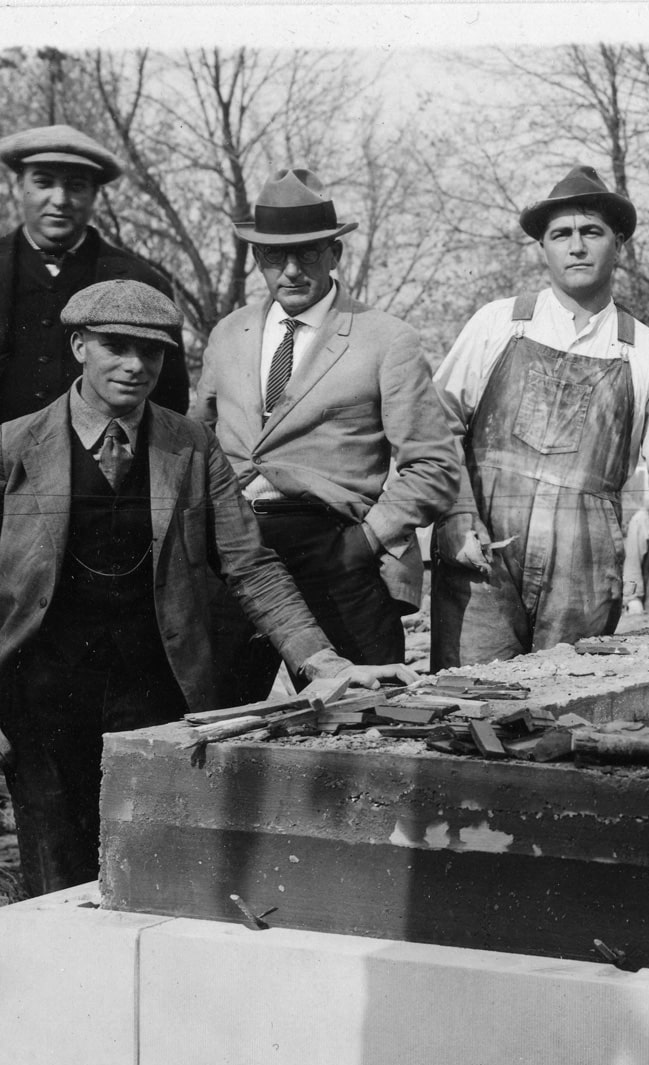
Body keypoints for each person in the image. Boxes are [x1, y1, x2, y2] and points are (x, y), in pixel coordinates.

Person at [0, 281, 410, 898]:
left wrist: (324, 661)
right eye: (115, 346)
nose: (135, 365)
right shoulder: (10, 449)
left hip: (155, 702)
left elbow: (250, 567)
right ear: (78, 347)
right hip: (39, 706)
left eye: (151, 352)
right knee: (59, 889)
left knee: (154, 882)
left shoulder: (192, 446)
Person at [0, 123, 190, 858]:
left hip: (88, 498)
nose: (59, 199)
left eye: (76, 185)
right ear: (17, 187)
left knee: (58, 647)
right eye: (43, 182)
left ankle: (75, 806)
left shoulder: (136, 279)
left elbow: (168, 395)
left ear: (95, 195)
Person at [193, 169, 461, 703]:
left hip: (337, 553)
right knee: (212, 718)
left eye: (308, 253)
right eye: (274, 256)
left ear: (334, 253)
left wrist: (364, 543)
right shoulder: (228, 334)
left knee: (363, 721)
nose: (290, 270)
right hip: (238, 552)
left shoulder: (387, 340)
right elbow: (197, 441)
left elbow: (434, 467)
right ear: (255, 259)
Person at [429, 165, 649, 669]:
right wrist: (456, 514)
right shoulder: (497, 324)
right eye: (562, 235)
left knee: (563, 716)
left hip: (585, 577)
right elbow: (434, 426)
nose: (576, 246)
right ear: (543, 249)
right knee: (464, 710)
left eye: (591, 232)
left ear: (617, 245)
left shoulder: (647, 353)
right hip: (481, 560)